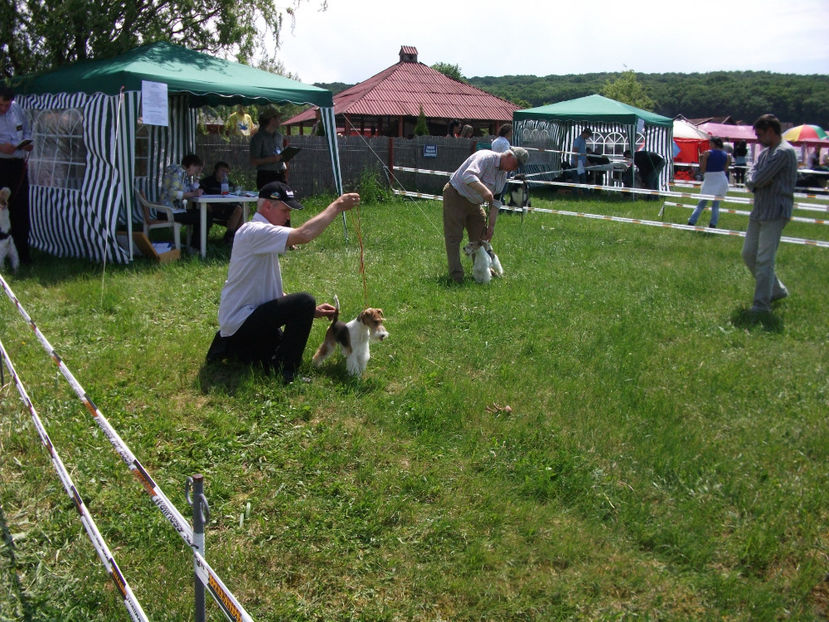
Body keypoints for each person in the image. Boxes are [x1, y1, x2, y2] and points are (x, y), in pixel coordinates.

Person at [209, 182, 360, 383]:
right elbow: (304, 235)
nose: (288, 216)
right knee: (304, 300)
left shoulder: (259, 234)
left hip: (243, 322)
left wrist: (311, 311)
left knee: (280, 342)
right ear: (267, 206)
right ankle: (286, 372)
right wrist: (338, 205)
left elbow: (265, 288)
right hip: (240, 322)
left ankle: (239, 352)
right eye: (285, 210)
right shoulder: (255, 230)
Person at [442, 147, 529, 283]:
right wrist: (484, 191)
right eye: (516, 164)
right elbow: (467, 175)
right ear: (509, 156)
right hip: (456, 195)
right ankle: (456, 275)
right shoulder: (485, 157)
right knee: (454, 237)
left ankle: (482, 270)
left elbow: (496, 201)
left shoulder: (503, 175)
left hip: (475, 203)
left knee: (481, 238)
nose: (515, 168)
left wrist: (492, 226)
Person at [741, 114, 797, 314]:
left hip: (775, 212)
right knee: (748, 254)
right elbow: (752, 175)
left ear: (771, 131)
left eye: (760, 134)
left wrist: (756, 179)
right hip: (759, 210)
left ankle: (761, 305)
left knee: (765, 259)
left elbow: (759, 177)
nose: (757, 138)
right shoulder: (766, 153)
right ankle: (777, 290)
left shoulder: (784, 152)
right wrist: (756, 179)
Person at [0, 86, 33, 264]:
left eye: (6, 104)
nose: (3, 108)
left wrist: (27, 143)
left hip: (18, 165)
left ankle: (23, 255)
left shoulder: (17, 108)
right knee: (0, 211)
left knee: (20, 209)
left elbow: (27, 130)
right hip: (0, 164)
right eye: (0, 105)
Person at [160, 153, 211, 251]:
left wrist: (198, 177)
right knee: (204, 216)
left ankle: (195, 245)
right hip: (169, 212)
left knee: (202, 215)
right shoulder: (178, 173)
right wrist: (193, 194)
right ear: (191, 165)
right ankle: (196, 247)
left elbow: (189, 189)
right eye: (195, 169)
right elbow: (173, 193)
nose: (194, 173)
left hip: (171, 210)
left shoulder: (181, 173)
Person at [688, 137, 731, 228]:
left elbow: (703, 170)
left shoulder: (707, 153)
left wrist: (701, 159)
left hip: (710, 180)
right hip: (721, 180)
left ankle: (692, 221)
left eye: (710, 143)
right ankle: (713, 224)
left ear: (714, 144)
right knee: (716, 205)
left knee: (701, 203)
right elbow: (725, 169)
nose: (709, 145)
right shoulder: (727, 155)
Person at [200, 161, 244, 244]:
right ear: (216, 171)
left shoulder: (229, 184)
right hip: (211, 208)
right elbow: (199, 195)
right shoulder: (206, 182)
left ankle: (233, 237)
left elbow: (235, 194)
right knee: (239, 210)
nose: (224, 174)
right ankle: (231, 237)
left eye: (227, 172)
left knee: (243, 210)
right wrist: (207, 206)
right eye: (222, 171)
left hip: (226, 207)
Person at [250, 110, 287, 188]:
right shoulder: (258, 137)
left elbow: (281, 153)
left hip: (280, 174)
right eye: (278, 118)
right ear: (272, 120)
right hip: (266, 176)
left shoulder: (279, 136)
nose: (280, 121)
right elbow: (254, 161)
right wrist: (271, 159)